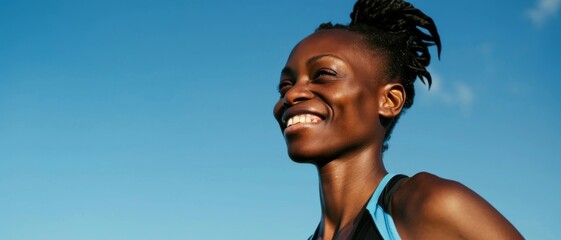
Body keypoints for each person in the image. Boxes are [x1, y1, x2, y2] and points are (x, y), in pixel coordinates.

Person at [272, 0, 523, 239]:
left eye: (324, 74)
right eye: (285, 86)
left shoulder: (426, 204)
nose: (292, 94)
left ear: (389, 101)